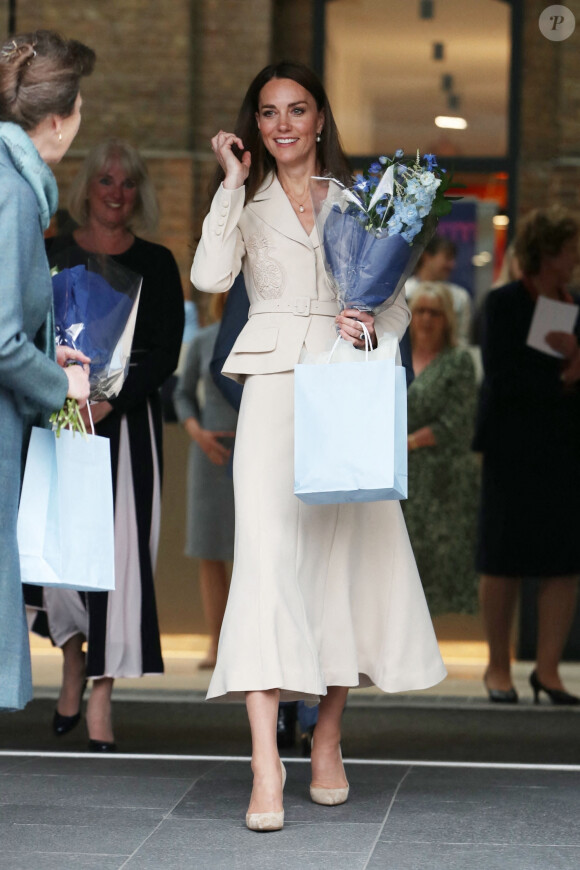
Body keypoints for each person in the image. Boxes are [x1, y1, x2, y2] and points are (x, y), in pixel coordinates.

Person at [191, 61, 446, 831]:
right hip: (270, 390)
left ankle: (328, 735)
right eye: (268, 113)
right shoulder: (244, 197)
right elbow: (207, 272)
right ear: (255, 127)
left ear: (321, 120)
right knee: (266, 563)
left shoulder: (356, 201)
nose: (283, 124)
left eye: (297, 110)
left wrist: (368, 324)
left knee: (340, 562)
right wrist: (230, 182)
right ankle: (266, 763)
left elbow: (394, 307)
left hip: (340, 386)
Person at [40, 139, 184, 748]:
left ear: (139, 193)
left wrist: (110, 398)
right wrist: (63, 389)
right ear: (87, 188)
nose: (116, 192)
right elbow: (26, 329)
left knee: (122, 561)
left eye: (128, 183)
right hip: (56, 424)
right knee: (59, 554)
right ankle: (74, 659)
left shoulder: (157, 263)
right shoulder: (51, 254)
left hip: (127, 431)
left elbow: (166, 354)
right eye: (106, 181)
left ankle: (103, 692)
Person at [0, 30, 94, 712]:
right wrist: (61, 383)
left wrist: (41, 347)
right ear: (56, 120)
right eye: (80, 107)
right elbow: (1, 341)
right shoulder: (13, 194)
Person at [474, 206, 580, 705]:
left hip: (563, 447)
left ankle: (548, 671)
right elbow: (500, 376)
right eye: (570, 248)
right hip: (511, 446)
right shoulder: (504, 304)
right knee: (504, 557)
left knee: (562, 561)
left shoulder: (576, 304)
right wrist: (562, 374)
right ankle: (498, 668)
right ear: (549, 252)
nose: (576, 257)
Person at [403, 283, 479, 616]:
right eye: (420, 311)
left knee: (441, 565)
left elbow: (458, 422)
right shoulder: (394, 355)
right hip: (398, 480)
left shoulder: (459, 361)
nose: (426, 319)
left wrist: (409, 442)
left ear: (447, 318)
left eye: (434, 312)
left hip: (443, 481)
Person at [173, 293, 237, 669]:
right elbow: (181, 395)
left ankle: (249, 644)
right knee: (211, 553)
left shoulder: (264, 337)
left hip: (254, 454)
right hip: (209, 455)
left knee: (256, 554)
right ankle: (216, 644)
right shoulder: (202, 340)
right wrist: (198, 434)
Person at [406, 235, 472, 345]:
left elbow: (462, 338)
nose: (452, 265)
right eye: (447, 258)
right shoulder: (403, 292)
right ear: (427, 257)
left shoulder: (460, 297)